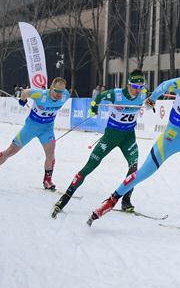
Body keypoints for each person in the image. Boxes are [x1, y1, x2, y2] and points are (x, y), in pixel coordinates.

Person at [87, 53, 180, 230]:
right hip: (172, 138)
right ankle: (112, 200)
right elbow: (163, 86)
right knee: (144, 172)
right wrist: (151, 99)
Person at [51, 70, 148, 218]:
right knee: (90, 166)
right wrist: (94, 107)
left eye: (141, 87)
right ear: (129, 84)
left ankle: (126, 200)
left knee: (134, 167)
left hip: (129, 136)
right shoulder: (116, 94)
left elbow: (153, 96)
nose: (138, 90)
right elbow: (100, 96)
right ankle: (65, 197)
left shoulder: (143, 94)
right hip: (111, 136)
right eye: (135, 86)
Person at [0, 78, 70, 191]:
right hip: (30, 128)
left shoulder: (65, 95)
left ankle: (47, 180)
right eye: (57, 91)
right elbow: (25, 92)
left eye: (62, 91)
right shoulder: (40, 95)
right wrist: (22, 100)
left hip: (47, 129)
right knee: (11, 151)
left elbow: (62, 96)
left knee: (50, 154)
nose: (60, 94)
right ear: (51, 88)